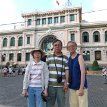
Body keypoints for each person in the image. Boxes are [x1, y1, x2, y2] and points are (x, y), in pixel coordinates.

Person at [46, 39, 69, 107]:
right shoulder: (49, 57)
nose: (57, 46)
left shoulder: (65, 58)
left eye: (59, 45)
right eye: (55, 45)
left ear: (61, 47)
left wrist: (66, 83)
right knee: (49, 104)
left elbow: (67, 71)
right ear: (53, 46)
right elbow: (46, 72)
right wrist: (45, 86)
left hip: (61, 87)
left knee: (61, 104)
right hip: (50, 86)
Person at [67, 41, 88, 107]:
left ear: (76, 47)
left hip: (80, 87)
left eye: (73, 46)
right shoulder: (69, 59)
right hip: (72, 87)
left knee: (82, 105)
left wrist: (81, 87)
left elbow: (83, 72)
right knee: (73, 105)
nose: (71, 47)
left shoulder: (80, 57)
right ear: (67, 48)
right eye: (69, 46)